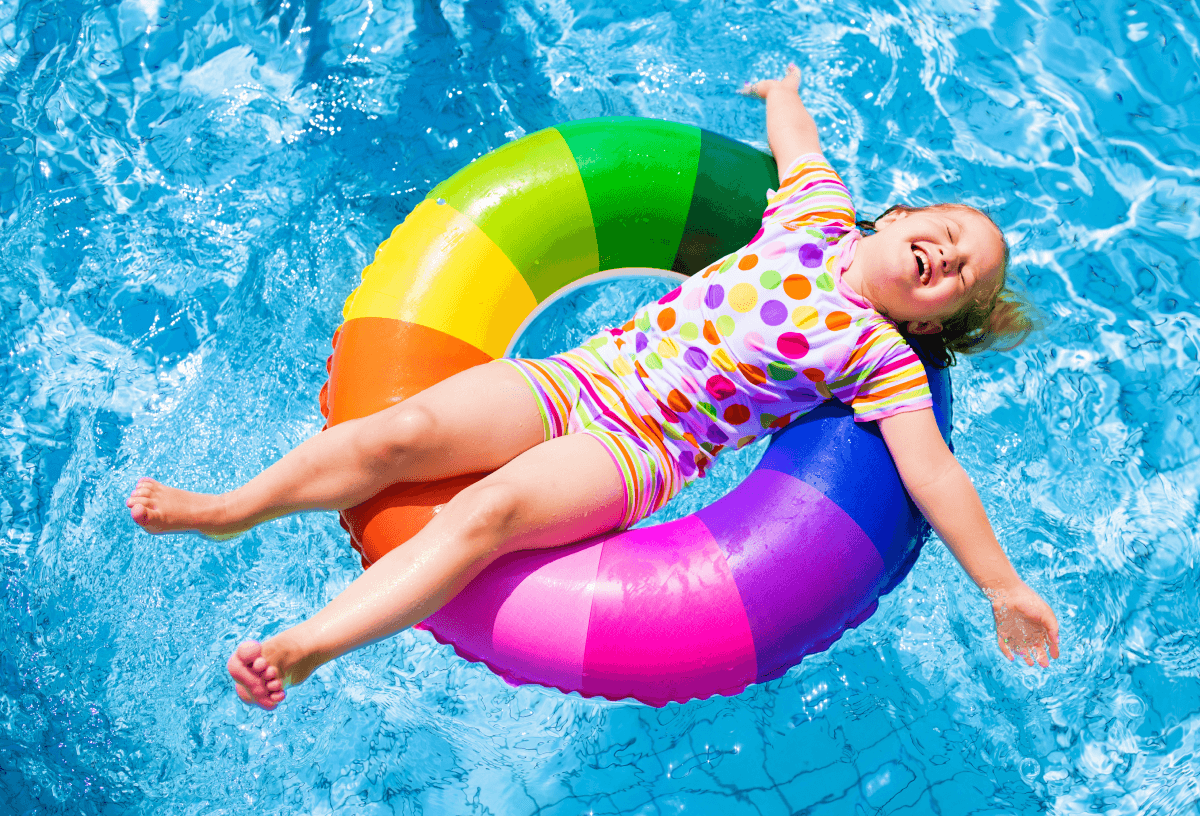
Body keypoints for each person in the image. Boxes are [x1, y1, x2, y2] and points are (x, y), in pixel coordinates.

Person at [127, 65, 1060, 711]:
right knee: (398, 433)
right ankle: (233, 509)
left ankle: (307, 646)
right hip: (577, 377)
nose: (948, 258)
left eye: (961, 279)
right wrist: (784, 95)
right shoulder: (814, 216)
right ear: (898, 217)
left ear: (931, 323)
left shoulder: (880, 356)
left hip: (636, 449)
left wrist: (1003, 586)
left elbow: (932, 473)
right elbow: (799, 147)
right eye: (948, 234)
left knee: (487, 514)